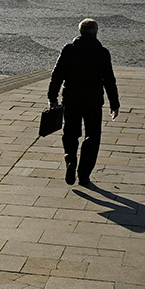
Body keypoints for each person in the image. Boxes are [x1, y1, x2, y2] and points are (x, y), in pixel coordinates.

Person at [48, 18, 120, 186]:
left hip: (71, 99)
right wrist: (114, 104)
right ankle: (84, 174)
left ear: (79, 32)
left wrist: (53, 97)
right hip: (93, 101)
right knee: (92, 136)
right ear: (96, 32)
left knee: (71, 133)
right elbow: (109, 80)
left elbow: (57, 75)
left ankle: (70, 160)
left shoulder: (69, 50)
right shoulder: (102, 53)